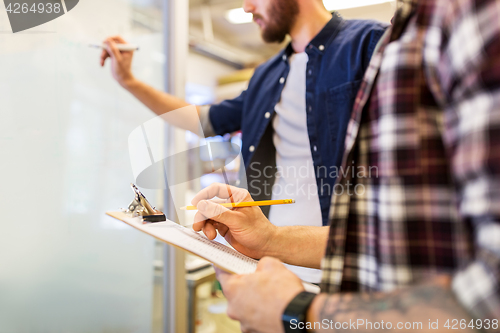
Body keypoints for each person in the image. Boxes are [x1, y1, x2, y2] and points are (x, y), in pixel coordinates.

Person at [190, 0, 500, 331]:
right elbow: (390, 238)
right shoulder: (402, 35)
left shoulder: (451, 19)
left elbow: (488, 296)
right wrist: (269, 239)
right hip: (316, 288)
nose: (247, 5)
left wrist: (301, 311)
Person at [100, 0, 387, 282]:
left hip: (348, 270)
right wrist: (128, 81)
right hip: (270, 267)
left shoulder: (372, 44)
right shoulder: (266, 75)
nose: (247, 7)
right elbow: (201, 120)